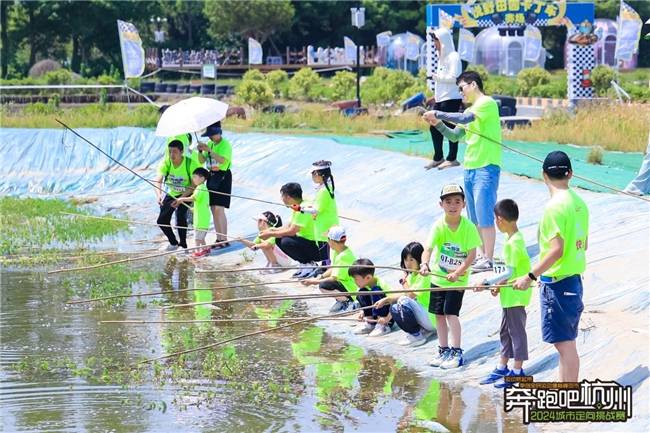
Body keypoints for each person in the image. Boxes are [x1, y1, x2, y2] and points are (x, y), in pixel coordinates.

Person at [513, 151, 589, 383]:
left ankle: (569, 394)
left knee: (564, 344)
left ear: (543, 175)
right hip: (573, 279)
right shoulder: (579, 203)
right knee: (566, 342)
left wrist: (529, 275)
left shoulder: (554, 207)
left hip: (558, 283)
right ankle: (565, 389)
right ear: (570, 174)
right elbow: (583, 243)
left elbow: (556, 250)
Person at [423, 71, 502, 272]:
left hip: (486, 166)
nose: (461, 93)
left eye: (462, 88)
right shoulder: (472, 109)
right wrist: (437, 123)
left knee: (485, 215)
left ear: (473, 84)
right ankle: (482, 256)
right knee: (474, 217)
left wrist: (438, 113)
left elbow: (465, 118)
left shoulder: (486, 103)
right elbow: (454, 135)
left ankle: (489, 258)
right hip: (470, 168)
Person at [420, 183, 482, 369]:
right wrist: (424, 264)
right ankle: (443, 350)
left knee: (451, 313)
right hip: (438, 278)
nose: (452, 205)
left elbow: (472, 255)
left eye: (457, 201)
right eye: (448, 202)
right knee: (439, 315)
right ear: (441, 205)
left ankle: (456, 352)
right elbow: (428, 249)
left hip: (458, 280)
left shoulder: (469, 227)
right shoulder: (438, 226)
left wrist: (457, 273)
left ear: (464, 204)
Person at [476, 199, 531, 388]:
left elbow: (510, 271)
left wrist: (487, 282)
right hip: (508, 296)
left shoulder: (515, 242)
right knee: (505, 332)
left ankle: (517, 371)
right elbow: (504, 270)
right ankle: (502, 366)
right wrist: (496, 285)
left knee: (517, 333)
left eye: (495, 219)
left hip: (516, 296)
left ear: (500, 219)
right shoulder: (508, 240)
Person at [373, 242, 436, 347]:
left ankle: (417, 336)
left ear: (419, 259)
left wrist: (404, 281)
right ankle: (417, 332)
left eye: (411, 260)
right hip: (424, 318)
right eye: (406, 260)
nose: (408, 263)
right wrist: (385, 301)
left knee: (403, 301)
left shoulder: (424, 275)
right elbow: (403, 294)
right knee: (394, 306)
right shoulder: (412, 276)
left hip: (432, 319)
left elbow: (410, 295)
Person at [258, 182, 320, 278]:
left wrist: (270, 234)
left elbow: (291, 231)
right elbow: (288, 225)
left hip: (316, 247)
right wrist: (270, 231)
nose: (282, 199)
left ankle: (309, 265)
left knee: (286, 241)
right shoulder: (297, 206)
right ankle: (304, 264)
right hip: (307, 243)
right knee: (279, 239)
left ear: (287, 197)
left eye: (282, 196)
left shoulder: (303, 209)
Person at [424, 27, 463, 171]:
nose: (435, 43)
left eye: (436, 40)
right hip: (441, 98)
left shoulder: (454, 57)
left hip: (452, 98)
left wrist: (437, 77)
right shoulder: (441, 56)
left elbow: (455, 78)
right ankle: (438, 157)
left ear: (444, 41)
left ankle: (452, 158)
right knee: (434, 126)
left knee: (451, 127)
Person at [154, 140, 200, 251]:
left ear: (181, 152)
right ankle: (173, 243)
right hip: (173, 193)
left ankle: (183, 245)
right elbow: (158, 181)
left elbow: (194, 184)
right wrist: (159, 194)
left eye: (174, 152)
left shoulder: (190, 163)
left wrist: (181, 198)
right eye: (170, 152)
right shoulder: (166, 163)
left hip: (188, 193)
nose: (172, 155)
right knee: (161, 220)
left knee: (180, 215)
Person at [301, 226, 357, 313]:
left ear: (332, 241)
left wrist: (313, 282)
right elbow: (333, 268)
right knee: (323, 283)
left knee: (324, 285)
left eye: (328, 239)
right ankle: (342, 300)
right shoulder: (337, 251)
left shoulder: (343, 256)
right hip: (343, 283)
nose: (327, 241)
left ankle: (348, 302)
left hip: (351, 288)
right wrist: (319, 278)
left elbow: (334, 278)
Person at [195, 121, 232, 248]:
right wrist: (200, 151)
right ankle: (219, 238)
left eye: (213, 134)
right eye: (209, 135)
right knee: (213, 208)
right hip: (211, 176)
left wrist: (210, 151)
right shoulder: (209, 143)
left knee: (219, 209)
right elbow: (201, 161)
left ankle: (224, 239)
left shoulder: (225, 144)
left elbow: (222, 160)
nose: (210, 137)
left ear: (219, 132)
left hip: (223, 176)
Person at [302, 160, 340, 266]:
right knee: (325, 250)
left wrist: (300, 209)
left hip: (325, 225)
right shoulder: (324, 188)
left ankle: (327, 269)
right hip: (324, 224)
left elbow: (316, 210)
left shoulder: (323, 191)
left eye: (313, 173)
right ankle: (325, 267)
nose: (312, 176)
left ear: (320, 174)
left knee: (326, 252)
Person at [172, 167, 211, 258]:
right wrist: (194, 209)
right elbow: (200, 202)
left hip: (201, 219)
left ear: (202, 178)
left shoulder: (200, 188)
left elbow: (193, 198)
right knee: (201, 237)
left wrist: (181, 199)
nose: (193, 179)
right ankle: (205, 249)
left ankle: (197, 252)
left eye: (194, 177)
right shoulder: (202, 188)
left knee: (197, 238)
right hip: (202, 217)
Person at [348, 258, 393, 337]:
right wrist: (363, 312)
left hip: (387, 318)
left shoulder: (381, 284)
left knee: (375, 290)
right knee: (362, 292)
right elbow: (368, 303)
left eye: (356, 279)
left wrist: (386, 319)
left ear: (368, 277)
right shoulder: (365, 286)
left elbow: (395, 302)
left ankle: (383, 327)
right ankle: (370, 323)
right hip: (376, 317)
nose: (355, 282)